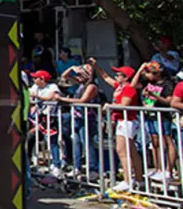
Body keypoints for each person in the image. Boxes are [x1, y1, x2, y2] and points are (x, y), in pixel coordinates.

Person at [90, 59, 144, 192]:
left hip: (127, 121)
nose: (116, 76)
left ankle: (128, 180)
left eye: (119, 74)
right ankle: (138, 179)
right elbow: (105, 77)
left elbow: (125, 105)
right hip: (122, 121)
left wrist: (110, 106)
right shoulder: (119, 87)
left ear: (125, 77)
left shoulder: (129, 89)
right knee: (131, 151)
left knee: (122, 151)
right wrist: (96, 65)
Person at [132, 61, 177, 182]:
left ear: (157, 73)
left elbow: (168, 101)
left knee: (167, 141)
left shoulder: (167, 84)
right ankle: (159, 168)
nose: (147, 75)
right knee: (154, 141)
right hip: (150, 115)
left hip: (162, 116)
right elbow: (132, 86)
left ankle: (168, 170)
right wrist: (140, 69)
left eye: (149, 72)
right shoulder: (147, 82)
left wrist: (153, 95)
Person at [54, 64, 100, 180]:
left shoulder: (92, 86)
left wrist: (62, 99)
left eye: (82, 74)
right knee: (76, 142)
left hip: (87, 118)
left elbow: (82, 100)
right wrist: (72, 68)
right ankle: (77, 167)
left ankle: (93, 169)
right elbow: (64, 78)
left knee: (86, 143)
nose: (79, 77)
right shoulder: (81, 84)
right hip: (77, 117)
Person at [27, 70, 65, 176]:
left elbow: (51, 97)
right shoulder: (35, 87)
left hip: (52, 118)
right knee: (31, 136)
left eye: (36, 78)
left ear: (42, 79)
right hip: (40, 119)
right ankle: (30, 162)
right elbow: (30, 95)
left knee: (53, 142)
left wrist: (38, 97)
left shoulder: (52, 86)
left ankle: (57, 165)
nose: (34, 80)